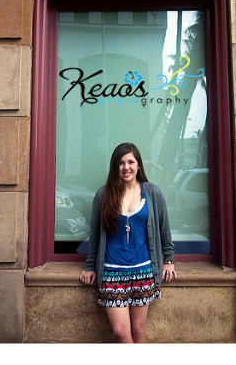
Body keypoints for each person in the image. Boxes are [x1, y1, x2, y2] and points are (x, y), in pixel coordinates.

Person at [79, 142, 176, 343]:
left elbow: (164, 228)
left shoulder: (153, 193)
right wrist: (90, 266)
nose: (126, 167)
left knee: (138, 331)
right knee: (120, 332)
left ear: (138, 165)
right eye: (121, 163)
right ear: (115, 167)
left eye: (131, 162)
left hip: (143, 271)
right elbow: (95, 234)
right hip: (112, 272)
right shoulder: (103, 195)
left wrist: (169, 260)